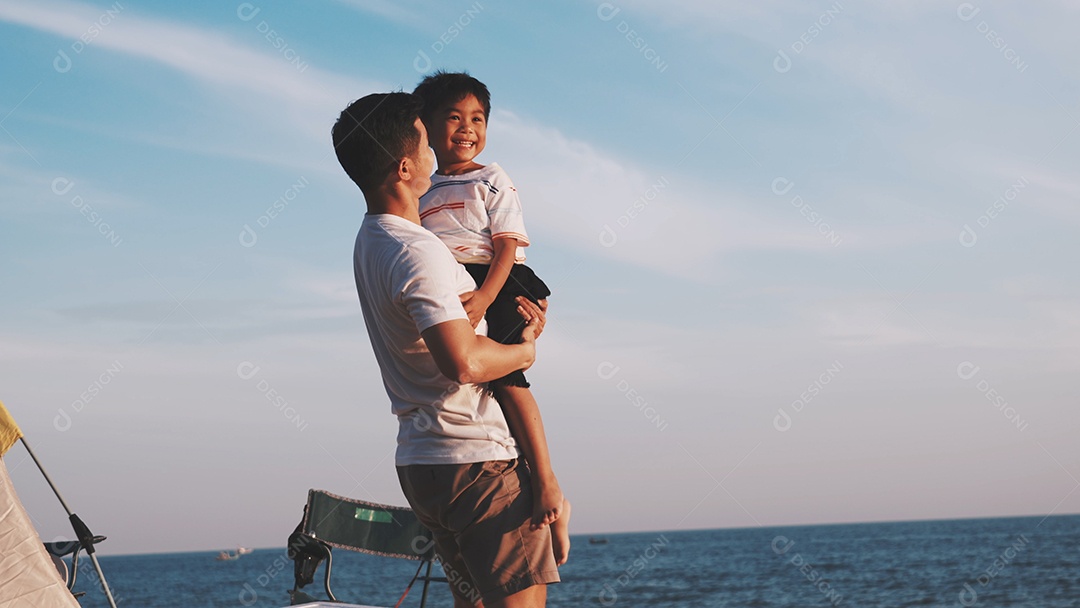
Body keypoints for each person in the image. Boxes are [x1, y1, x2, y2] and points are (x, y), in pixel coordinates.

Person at [332, 91, 559, 607]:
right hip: (475, 462)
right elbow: (464, 362)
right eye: (425, 141)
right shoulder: (417, 251)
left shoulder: (370, 240)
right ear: (406, 165)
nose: (438, 152)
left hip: (423, 463)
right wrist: (523, 352)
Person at [412, 72, 570, 563]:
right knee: (477, 386)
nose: (467, 127)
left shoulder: (492, 178)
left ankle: (550, 486)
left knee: (507, 380)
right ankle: (529, 478)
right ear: (426, 127)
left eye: (477, 118)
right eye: (454, 117)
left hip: (495, 282)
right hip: (457, 287)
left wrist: (483, 299)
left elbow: (506, 248)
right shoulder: (422, 188)